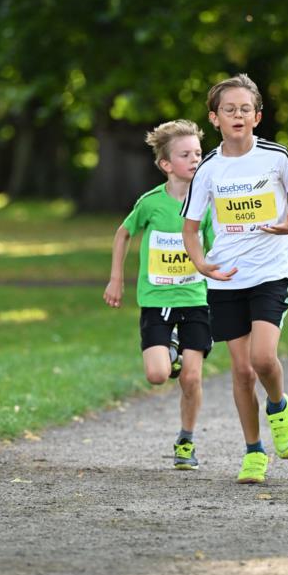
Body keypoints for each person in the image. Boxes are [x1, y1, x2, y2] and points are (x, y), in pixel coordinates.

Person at [181, 74, 288, 484]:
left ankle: (277, 405)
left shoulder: (276, 156)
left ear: (257, 117)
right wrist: (201, 264)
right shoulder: (208, 168)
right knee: (241, 372)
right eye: (229, 109)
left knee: (262, 359)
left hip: (269, 274)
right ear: (214, 118)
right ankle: (254, 451)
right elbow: (190, 228)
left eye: (245, 109)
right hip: (226, 277)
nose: (237, 115)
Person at [104, 120, 215, 470]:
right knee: (156, 374)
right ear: (166, 164)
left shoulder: (208, 203)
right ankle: (172, 351)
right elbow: (123, 234)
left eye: (198, 153)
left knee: (191, 378)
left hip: (196, 300)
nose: (195, 159)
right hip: (156, 300)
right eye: (185, 155)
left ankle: (186, 440)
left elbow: (217, 249)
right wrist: (116, 279)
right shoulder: (151, 203)